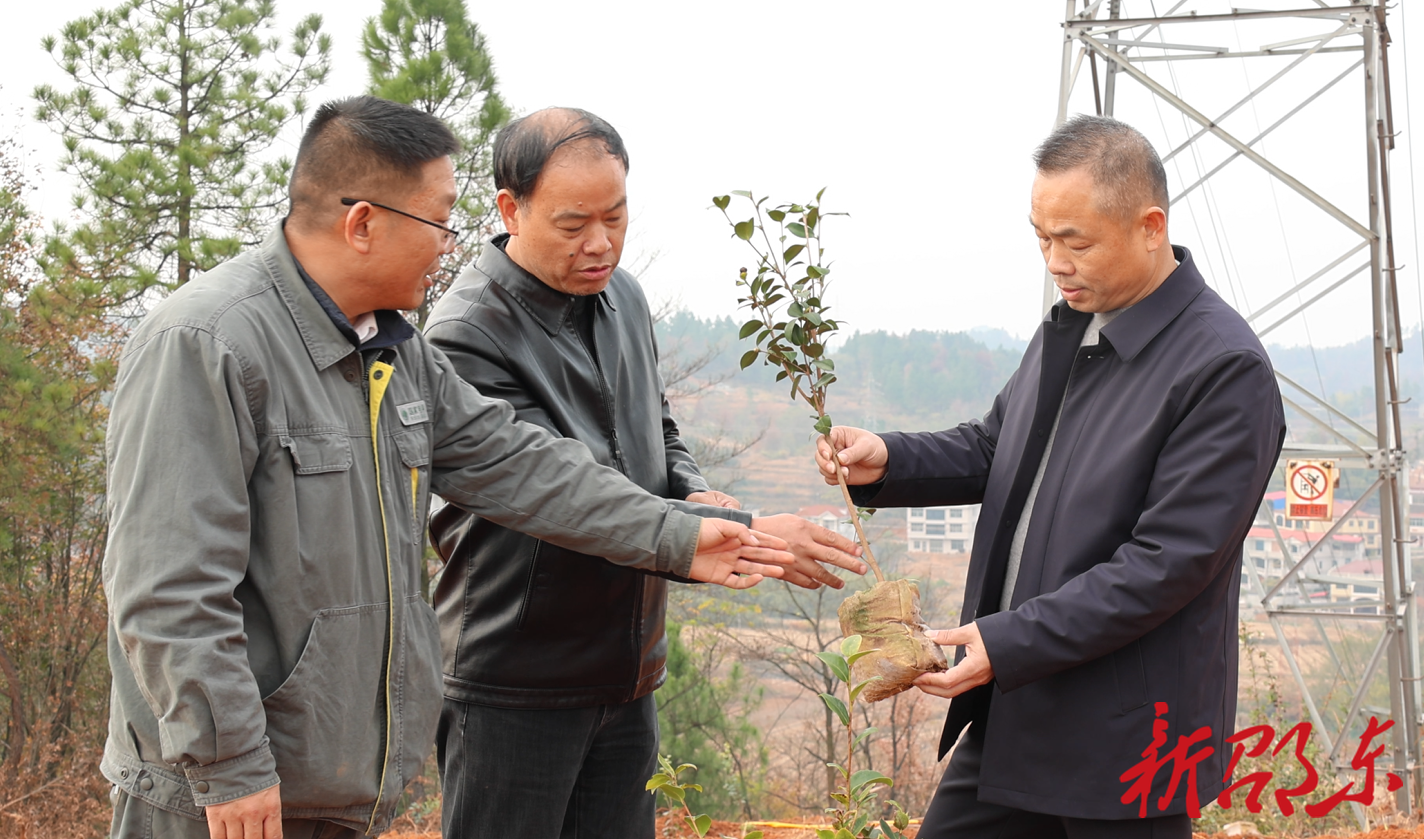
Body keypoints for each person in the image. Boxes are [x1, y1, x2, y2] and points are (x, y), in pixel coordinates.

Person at [100, 95, 795, 839]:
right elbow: (168, 585)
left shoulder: (395, 352)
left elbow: (525, 466)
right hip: (216, 796)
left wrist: (683, 534)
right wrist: (230, 762)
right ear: (361, 222)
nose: (451, 246)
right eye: (437, 221)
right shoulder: (208, 342)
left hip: (332, 786)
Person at [816, 115, 1286, 838]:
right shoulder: (1071, 326)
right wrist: (891, 458)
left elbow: (1165, 565)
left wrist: (1006, 641)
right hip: (1020, 708)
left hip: (1129, 740)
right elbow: (997, 446)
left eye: (1076, 242)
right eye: (1042, 238)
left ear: (1150, 225)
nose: (1055, 262)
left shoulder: (1222, 369)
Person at [423, 107, 867, 839]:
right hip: (516, 679)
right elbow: (566, 494)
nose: (600, 244)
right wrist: (737, 532)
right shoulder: (468, 333)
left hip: (627, 672)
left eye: (616, 216)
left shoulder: (619, 295)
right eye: (573, 225)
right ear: (511, 207)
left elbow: (652, 424)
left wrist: (691, 487)